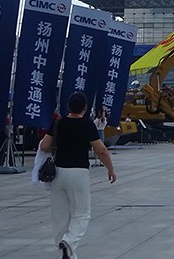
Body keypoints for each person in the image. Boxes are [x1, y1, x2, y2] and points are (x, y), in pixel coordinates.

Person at [39, 91, 116, 259]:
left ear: (68, 107)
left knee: (60, 215)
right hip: (78, 172)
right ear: (85, 108)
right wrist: (110, 169)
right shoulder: (87, 124)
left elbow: (44, 146)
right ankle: (69, 242)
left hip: (57, 173)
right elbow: (101, 150)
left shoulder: (58, 123)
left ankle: (66, 252)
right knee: (82, 213)